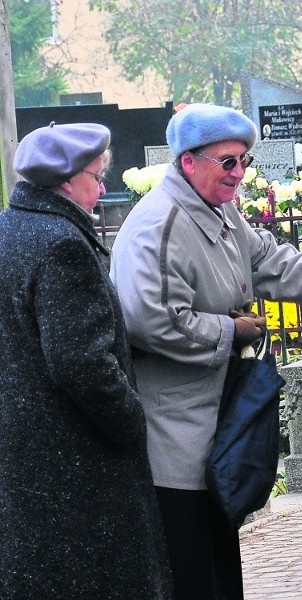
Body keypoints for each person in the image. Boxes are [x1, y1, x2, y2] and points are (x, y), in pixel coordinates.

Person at [109, 103, 302, 600]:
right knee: (191, 572)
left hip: (213, 420)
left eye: (245, 161)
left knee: (219, 570)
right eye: (227, 162)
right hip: (175, 433)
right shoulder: (160, 224)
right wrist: (230, 332)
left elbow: (265, 260)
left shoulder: (217, 208)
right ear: (189, 161)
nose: (239, 173)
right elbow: (151, 320)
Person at [0, 122, 173, 599]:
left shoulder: (9, 228)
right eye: (96, 177)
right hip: (79, 459)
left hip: (27, 453)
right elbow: (82, 363)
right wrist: (132, 422)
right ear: (66, 179)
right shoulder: (63, 244)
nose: (101, 187)